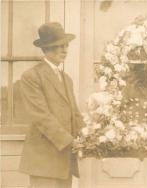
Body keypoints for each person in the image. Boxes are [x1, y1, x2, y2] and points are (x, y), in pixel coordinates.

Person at [19, 22, 85, 188]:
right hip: (43, 160)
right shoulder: (31, 76)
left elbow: (75, 114)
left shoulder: (66, 78)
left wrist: (88, 135)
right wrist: (70, 141)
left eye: (66, 45)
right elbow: (41, 116)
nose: (64, 50)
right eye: (58, 46)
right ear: (46, 49)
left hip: (65, 160)